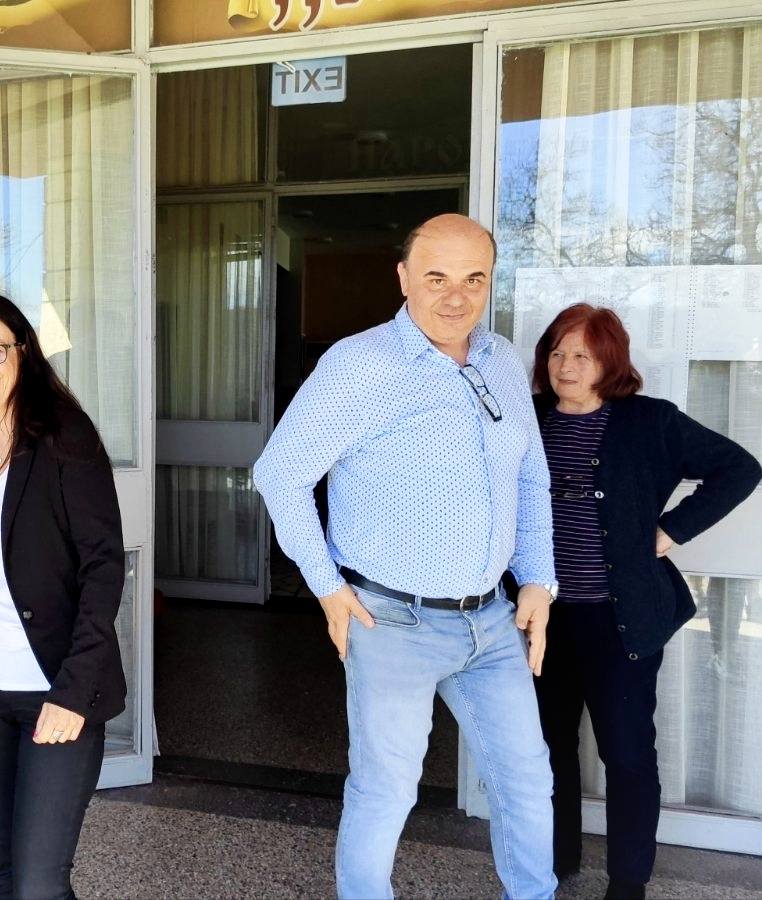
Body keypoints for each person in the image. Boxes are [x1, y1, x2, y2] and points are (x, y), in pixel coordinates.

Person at [253, 214, 560, 900]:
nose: (457, 296)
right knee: (387, 788)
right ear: (403, 278)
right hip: (393, 621)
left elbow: (530, 478)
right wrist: (327, 586)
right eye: (436, 277)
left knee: (526, 779)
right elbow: (280, 473)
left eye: (474, 279)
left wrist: (538, 579)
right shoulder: (361, 364)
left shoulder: (501, 360)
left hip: (493, 621)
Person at [530, 303, 760, 900]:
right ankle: (556, 861)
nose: (566, 365)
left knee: (628, 753)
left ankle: (628, 881)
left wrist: (671, 530)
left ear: (611, 361)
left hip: (621, 619)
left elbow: (739, 468)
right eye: (557, 352)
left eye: (583, 355)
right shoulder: (527, 420)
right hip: (541, 619)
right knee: (547, 749)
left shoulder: (649, 421)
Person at [0, 292, 126, 900]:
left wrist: (73, 690)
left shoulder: (64, 435)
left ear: (23, 352)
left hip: (55, 688)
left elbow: (103, 568)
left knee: (39, 882)